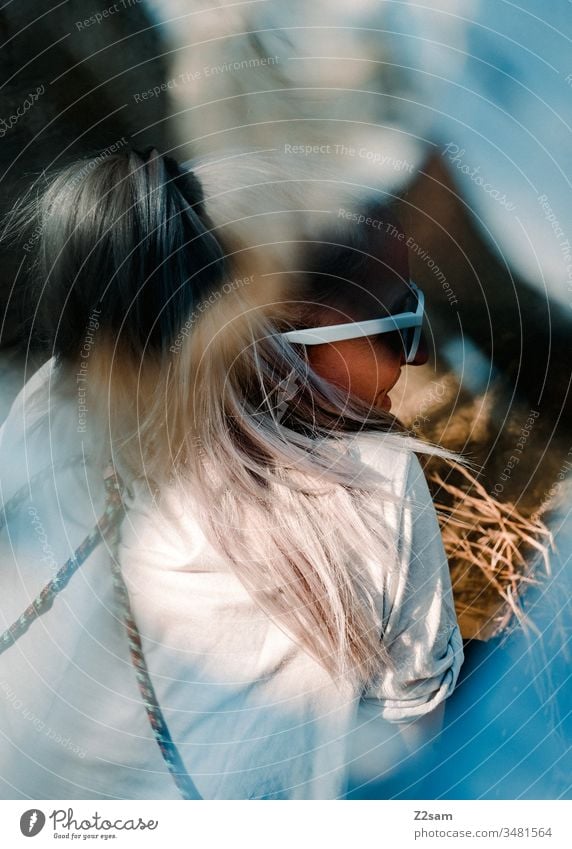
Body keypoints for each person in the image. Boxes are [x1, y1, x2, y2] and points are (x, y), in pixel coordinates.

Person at [0, 146, 464, 800]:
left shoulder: (32, 438)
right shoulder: (374, 485)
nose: (413, 361)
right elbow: (417, 729)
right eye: (393, 328)